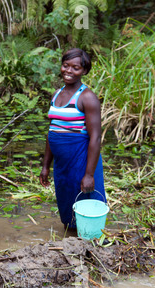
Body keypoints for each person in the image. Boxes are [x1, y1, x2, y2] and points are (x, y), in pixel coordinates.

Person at [39, 48, 106, 230]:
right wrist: (46, 166)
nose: (68, 71)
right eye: (65, 65)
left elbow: (95, 138)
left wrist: (89, 174)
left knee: (86, 202)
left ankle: (88, 245)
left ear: (84, 71)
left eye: (75, 68)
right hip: (62, 163)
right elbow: (52, 131)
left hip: (80, 160)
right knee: (67, 202)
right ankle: (71, 241)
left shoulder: (87, 97)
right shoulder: (56, 94)